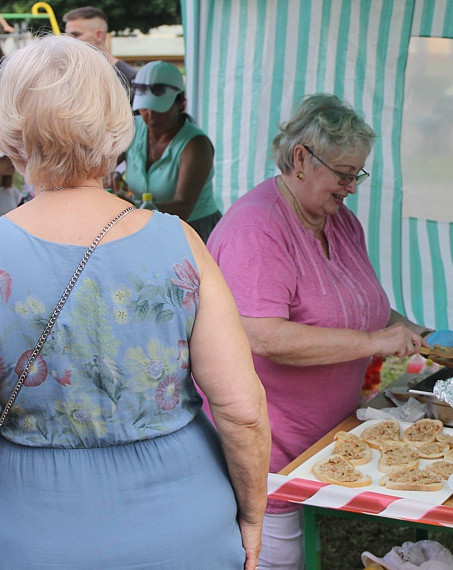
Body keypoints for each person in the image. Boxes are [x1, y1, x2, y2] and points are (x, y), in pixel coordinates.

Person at [0, 35, 270, 568]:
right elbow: (241, 411)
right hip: (187, 528)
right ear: (117, 128)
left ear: (12, 137)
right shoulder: (180, 242)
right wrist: (253, 515)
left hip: (30, 530)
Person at [207, 92, 453, 568]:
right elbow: (263, 336)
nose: (351, 187)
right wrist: (375, 344)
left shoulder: (340, 222)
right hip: (268, 454)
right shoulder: (257, 227)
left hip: (322, 445)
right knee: (274, 556)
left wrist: (419, 334)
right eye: (344, 173)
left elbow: (368, 307)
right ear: (301, 158)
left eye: (357, 174)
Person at [108, 60, 222, 242]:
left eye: (160, 109)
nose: (151, 117)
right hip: (145, 226)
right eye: (145, 108)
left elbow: (183, 207)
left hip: (193, 232)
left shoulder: (196, 145)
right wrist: (110, 174)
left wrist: (133, 208)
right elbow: (103, 165)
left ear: (181, 103)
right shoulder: (132, 129)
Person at [63, 6, 138, 89]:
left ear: (98, 35)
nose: (69, 40)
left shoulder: (130, 78)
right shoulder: (67, 76)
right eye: (67, 36)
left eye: (76, 35)